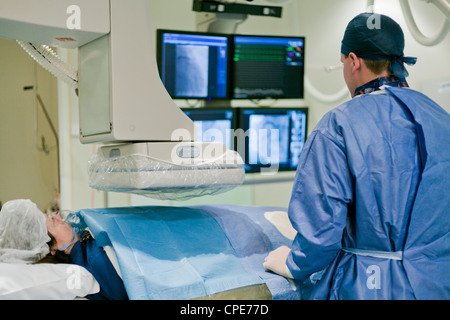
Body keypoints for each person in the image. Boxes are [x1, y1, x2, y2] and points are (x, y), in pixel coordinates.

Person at [263, 12, 450, 300]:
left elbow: (321, 232)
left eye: (343, 63)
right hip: (436, 283)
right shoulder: (441, 119)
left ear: (354, 61)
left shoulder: (338, 124)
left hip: (367, 287)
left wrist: (292, 263)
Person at [0, 199, 128, 300]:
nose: (58, 216)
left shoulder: (86, 246)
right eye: (53, 222)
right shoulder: (94, 261)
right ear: (52, 249)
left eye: (51, 215)